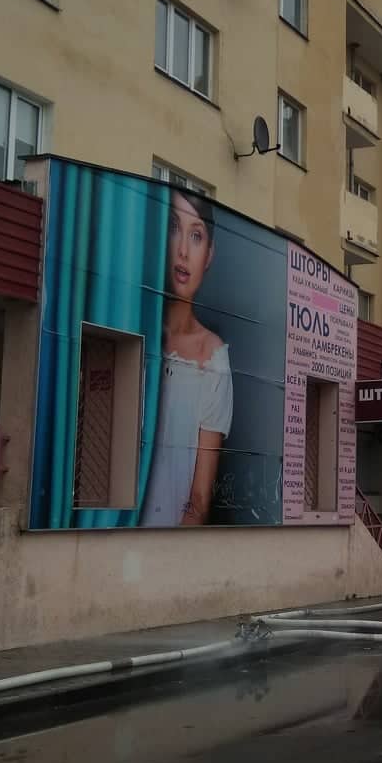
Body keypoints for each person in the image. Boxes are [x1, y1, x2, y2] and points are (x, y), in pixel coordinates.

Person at [141, 190, 234, 528]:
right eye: (173, 228)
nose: (182, 250)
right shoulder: (133, 331)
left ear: (209, 255)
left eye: (196, 236)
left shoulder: (213, 359)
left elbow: (199, 501)